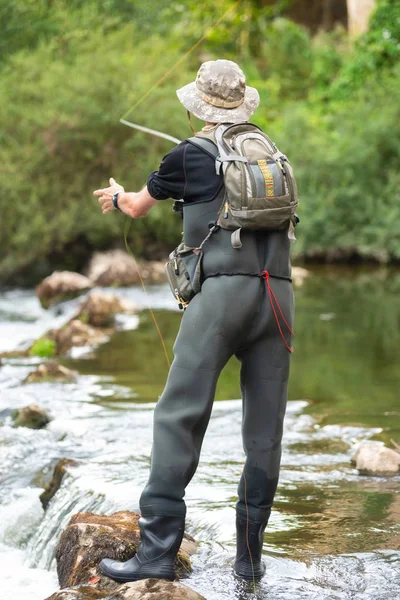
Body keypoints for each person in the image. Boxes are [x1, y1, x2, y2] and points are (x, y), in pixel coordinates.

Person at [93, 59, 294, 583]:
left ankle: (157, 552)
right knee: (265, 432)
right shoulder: (270, 155)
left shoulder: (189, 153)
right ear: (242, 104)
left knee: (178, 416)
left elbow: (137, 207)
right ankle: (249, 563)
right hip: (279, 299)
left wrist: (117, 196)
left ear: (195, 106)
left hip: (222, 299)